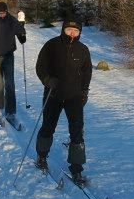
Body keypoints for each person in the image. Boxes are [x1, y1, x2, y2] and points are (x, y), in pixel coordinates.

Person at [35, 17, 92, 184]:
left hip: (74, 96)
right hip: (53, 94)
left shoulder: (83, 50)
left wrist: (84, 92)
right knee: (48, 126)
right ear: (63, 30)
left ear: (79, 33)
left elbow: (87, 72)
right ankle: (42, 156)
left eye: (76, 31)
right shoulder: (51, 45)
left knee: (77, 131)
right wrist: (47, 80)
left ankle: (76, 169)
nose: (72, 33)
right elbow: (40, 67)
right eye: (69, 30)